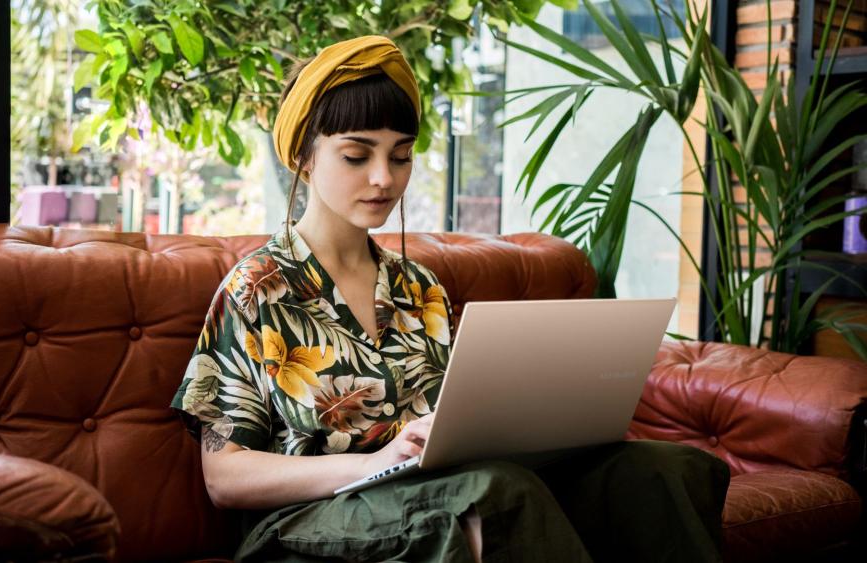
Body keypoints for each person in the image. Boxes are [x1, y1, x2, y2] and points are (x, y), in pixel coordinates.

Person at [171, 35, 730, 563]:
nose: (384, 178)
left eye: (401, 155)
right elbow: (225, 477)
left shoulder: (420, 288)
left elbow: (458, 420)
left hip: (437, 487)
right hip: (311, 518)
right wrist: (373, 462)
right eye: (356, 155)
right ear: (305, 157)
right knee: (498, 494)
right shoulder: (255, 289)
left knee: (665, 470)